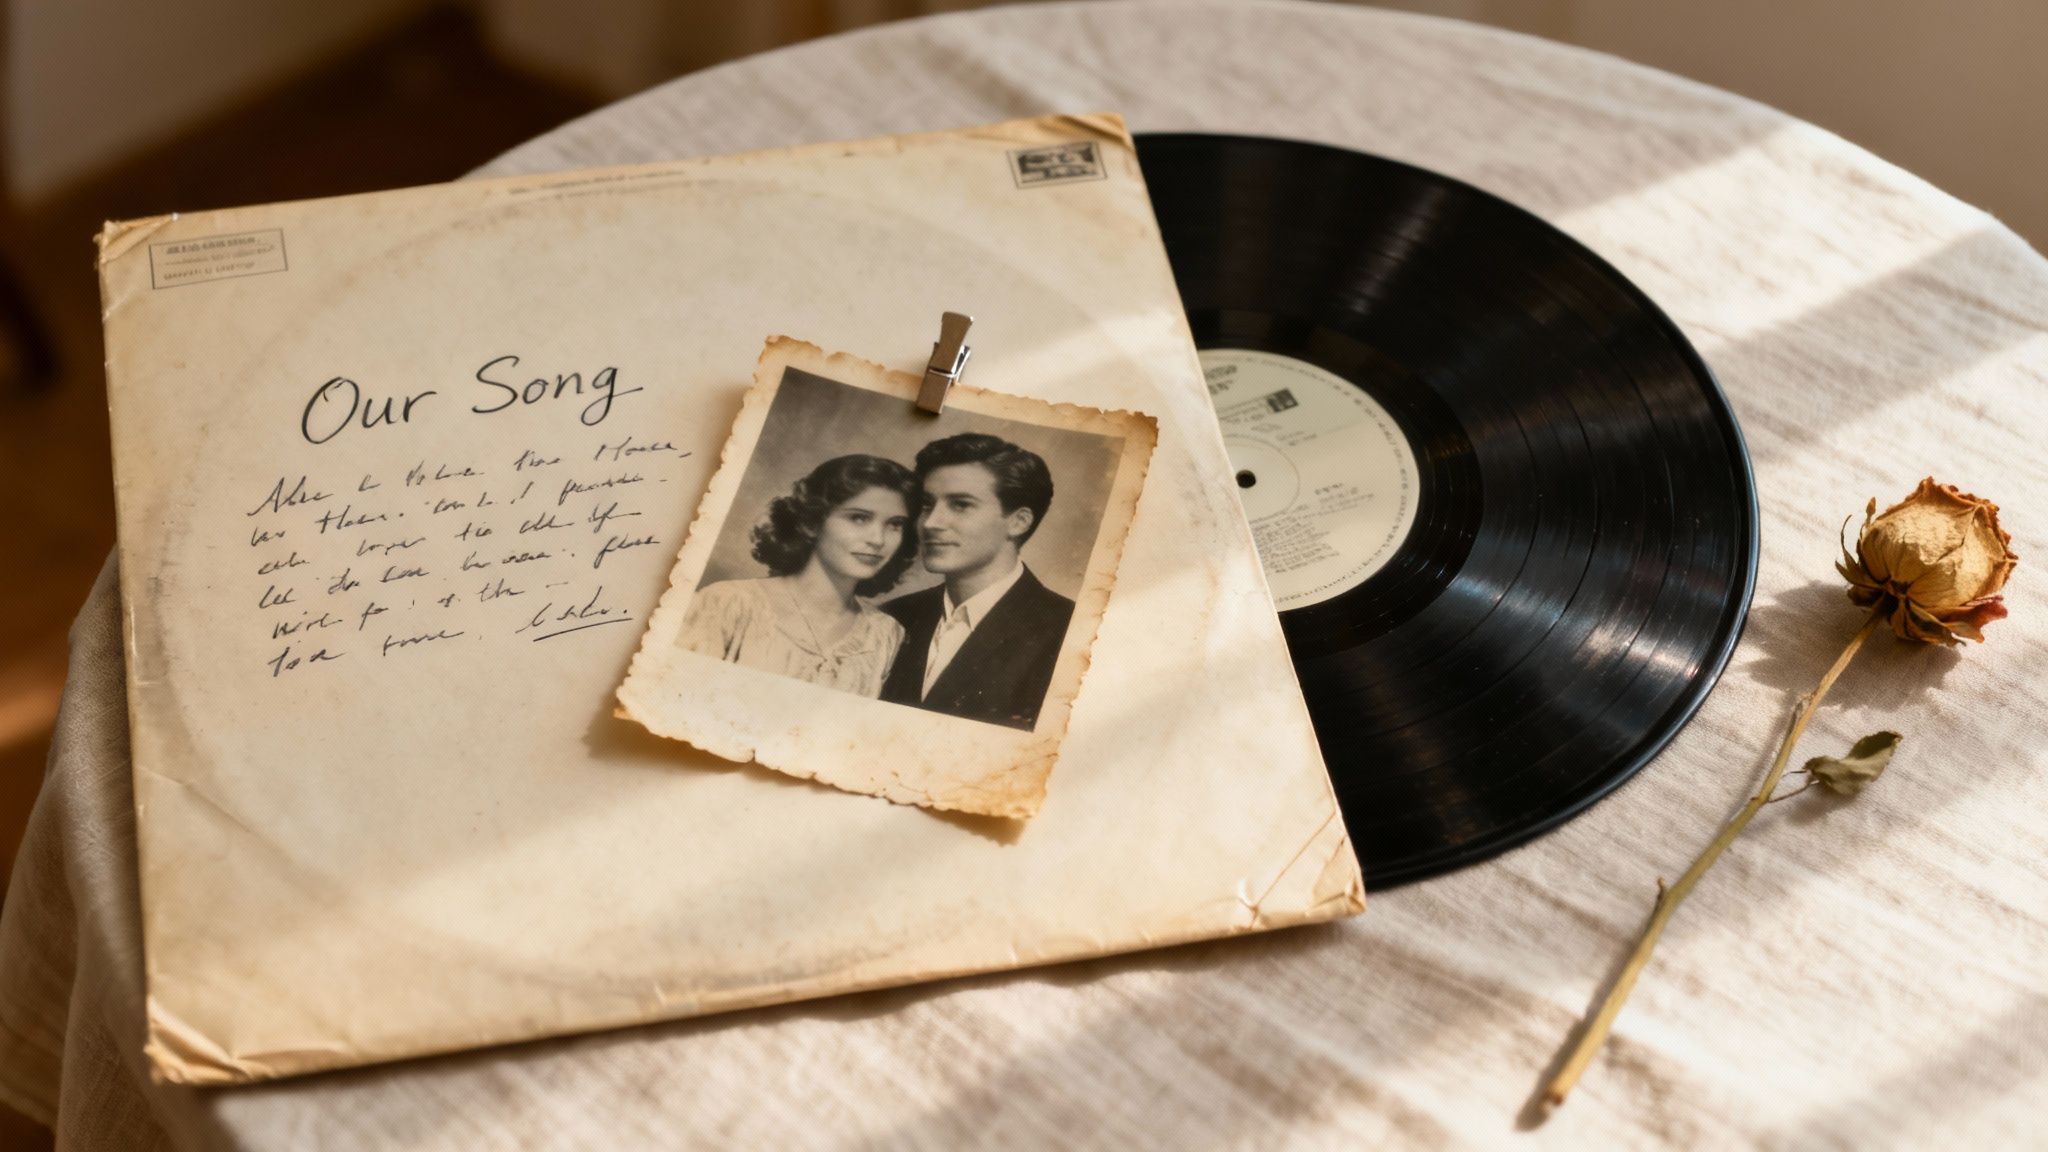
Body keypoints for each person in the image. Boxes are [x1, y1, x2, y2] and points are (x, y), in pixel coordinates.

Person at [879, 432, 1075, 730]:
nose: (931, 523)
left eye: (961, 505)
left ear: (1018, 521)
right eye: (927, 505)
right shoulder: (891, 617)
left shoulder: (1069, 631)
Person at [679, 454, 919, 697]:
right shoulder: (728, 605)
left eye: (895, 524)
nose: (877, 540)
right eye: (859, 518)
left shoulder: (885, 635)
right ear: (813, 522)